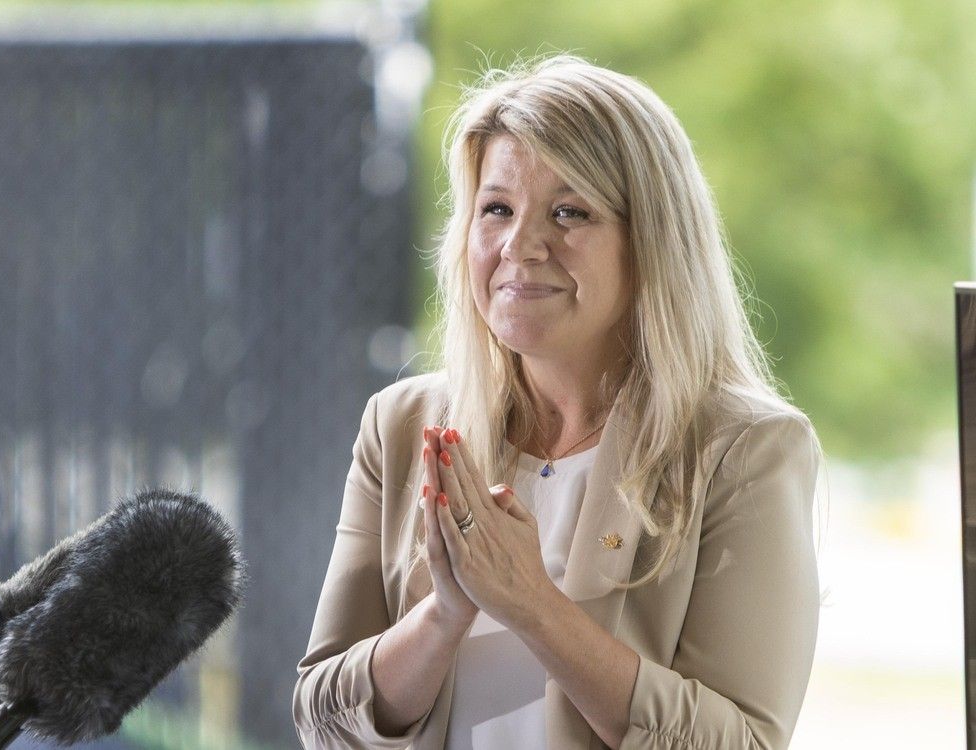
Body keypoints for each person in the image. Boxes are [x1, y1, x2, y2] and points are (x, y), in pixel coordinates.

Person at [293, 53, 823, 750]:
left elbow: (743, 742)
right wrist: (443, 614)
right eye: (496, 209)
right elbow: (322, 722)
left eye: (569, 212)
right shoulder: (400, 425)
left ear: (653, 242)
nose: (520, 246)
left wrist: (533, 605)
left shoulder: (745, 449)